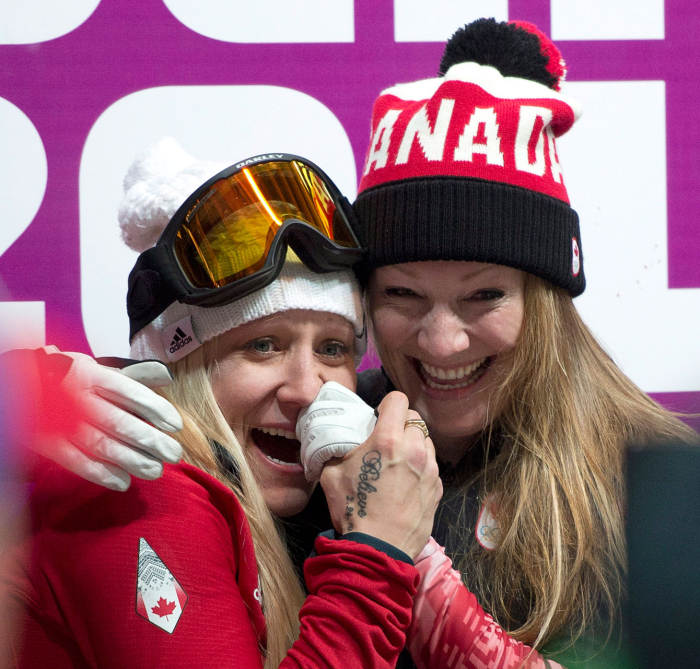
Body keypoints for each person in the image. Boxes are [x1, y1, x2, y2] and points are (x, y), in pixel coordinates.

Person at [0, 140, 442, 669]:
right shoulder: (138, 487)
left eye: (333, 348)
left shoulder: (316, 491)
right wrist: (377, 554)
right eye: (262, 345)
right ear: (176, 367)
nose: (308, 389)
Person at [343, 17, 699, 664]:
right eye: (403, 294)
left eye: (484, 296)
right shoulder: (329, 445)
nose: (443, 341)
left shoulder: (658, 488)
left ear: (548, 300)